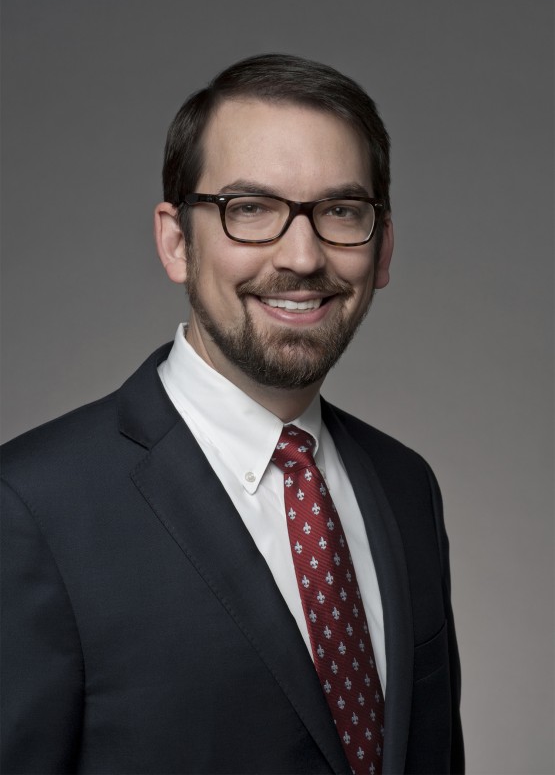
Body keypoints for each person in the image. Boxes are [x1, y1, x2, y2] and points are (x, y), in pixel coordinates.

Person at [1, 54, 464, 775]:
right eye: (251, 210)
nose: (303, 256)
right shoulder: (31, 507)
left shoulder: (406, 487)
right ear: (176, 242)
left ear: (382, 248)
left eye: (341, 211)